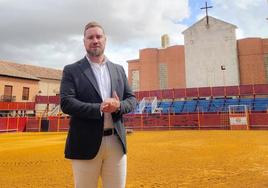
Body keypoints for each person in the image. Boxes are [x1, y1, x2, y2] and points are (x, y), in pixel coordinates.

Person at [60, 21, 137, 188]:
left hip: (116, 143)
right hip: (85, 143)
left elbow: (131, 99)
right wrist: (99, 108)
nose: (95, 40)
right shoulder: (71, 70)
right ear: (84, 42)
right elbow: (66, 102)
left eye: (98, 36)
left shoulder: (119, 69)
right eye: (90, 37)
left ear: (105, 40)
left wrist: (118, 106)